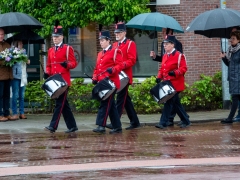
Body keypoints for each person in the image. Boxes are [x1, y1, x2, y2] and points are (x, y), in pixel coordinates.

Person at [44, 23, 78, 133]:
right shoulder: (50, 50)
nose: (55, 38)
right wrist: (47, 72)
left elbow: (74, 63)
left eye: (57, 36)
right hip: (54, 80)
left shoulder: (68, 48)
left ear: (62, 37)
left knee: (59, 104)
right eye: (54, 36)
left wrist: (67, 65)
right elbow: (49, 65)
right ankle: (72, 126)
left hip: (63, 81)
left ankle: (53, 126)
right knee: (64, 105)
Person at [150, 28, 187, 127]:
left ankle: (163, 123)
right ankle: (186, 120)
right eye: (164, 44)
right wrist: (159, 77)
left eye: (166, 44)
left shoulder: (179, 56)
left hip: (176, 83)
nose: (164, 46)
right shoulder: (166, 55)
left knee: (169, 102)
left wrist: (174, 73)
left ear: (172, 45)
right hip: (168, 82)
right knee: (176, 104)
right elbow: (162, 68)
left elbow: (184, 69)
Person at [106, 22, 140, 130]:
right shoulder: (114, 45)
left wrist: (121, 65)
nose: (117, 34)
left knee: (120, 99)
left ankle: (115, 122)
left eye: (119, 32)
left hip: (125, 76)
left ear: (124, 32)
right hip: (117, 75)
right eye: (116, 32)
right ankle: (134, 121)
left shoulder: (130, 44)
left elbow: (132, 60)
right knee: (126, 100)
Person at [92, 30, 123, 134]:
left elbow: (120, 65)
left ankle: (101, 126)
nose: (101, 42)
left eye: (102, 40)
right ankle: (117, 127)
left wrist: (113, 70)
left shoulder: (115, 51)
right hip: (102, 83)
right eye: (100, 40)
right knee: (111, 106)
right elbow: (97, 68)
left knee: (105, 103)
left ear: (108, 41)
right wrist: (94, 77)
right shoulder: (100, 53)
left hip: (111, 83)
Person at [220, 31, 240, 124]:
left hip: (238, 77)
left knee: (235, 97)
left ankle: (229, 118)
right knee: (236, 97)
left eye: (233, 38)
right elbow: (230, 64)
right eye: (231, 38)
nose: (231, 40)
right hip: (232, 77)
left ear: (238, 40)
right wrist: (224, 58)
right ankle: (230, 118)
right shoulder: (230, 50)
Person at [10, 40, 30, 120]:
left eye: (22, 43)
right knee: (15, 95)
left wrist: (28, 61)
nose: (21, 45)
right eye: (19, 43)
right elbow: (11, 63)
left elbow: (25, 64)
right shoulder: (13, 53)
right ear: (16, 44)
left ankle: (22, 113)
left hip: (23, 77)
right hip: (15, 77)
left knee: (22, 96)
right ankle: (15, 113)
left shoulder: (24, 53)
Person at [0, 28, 14, 122]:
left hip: (8, 75)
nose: (1, 36)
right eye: (0, 34)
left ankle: (6, 113)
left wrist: (14, 59)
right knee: (0, 96)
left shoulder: (7, 45)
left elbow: (12, 56)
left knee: (6, 95)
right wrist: (3, 61)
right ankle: (0, 114)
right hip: (0, 75)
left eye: (2, 34)